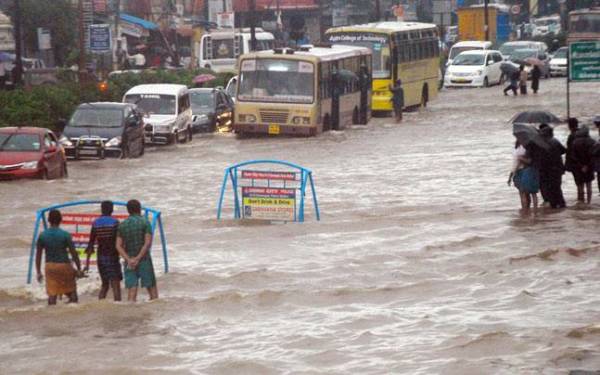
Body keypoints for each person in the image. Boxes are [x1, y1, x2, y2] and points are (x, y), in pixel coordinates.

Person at [35, 210, 83, 305]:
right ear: (60, 220)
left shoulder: (42, 235)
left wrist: (38, 272)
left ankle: (51, 316)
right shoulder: (65, 235)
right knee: (72, 294)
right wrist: (78, 268)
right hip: (64, 266)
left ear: (49, 220)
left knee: (52, 295)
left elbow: (38, 256)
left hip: (50, 267)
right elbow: (74, 253)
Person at [116, 200, 158, 302]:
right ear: (139, 209)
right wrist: (138, 258)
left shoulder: (122, 225)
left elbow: (118, 246)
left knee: (132, 289)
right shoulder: (145, 222)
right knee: (152, 290)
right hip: (144, 259)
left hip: (129, 261)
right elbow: (147, 243)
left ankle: (131, 315)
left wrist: (129, 259)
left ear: (128, 210)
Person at [85, 201, 122, 301]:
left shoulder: (96, 223)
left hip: (101, 257)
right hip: (112, 257)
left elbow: (90, 244)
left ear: (101, 209)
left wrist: (87, 265)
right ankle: (118, 307)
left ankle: (100, 303)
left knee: (104, 285)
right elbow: (119, 242)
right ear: (112, 210)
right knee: (115, 284)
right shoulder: (115, 223)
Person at [538, 124, 567, 208]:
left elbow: (539, 157)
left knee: (547, 187)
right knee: (557, 187)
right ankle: (561, 204)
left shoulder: (541, 143)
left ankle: (553, 204)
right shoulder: (555, 141)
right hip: (557, 168)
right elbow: (564, 151)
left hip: (546, 169)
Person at [508, 140, 539, 209]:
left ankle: (525, 210)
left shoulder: (518, 150)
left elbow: (516, 164)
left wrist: (511, 175)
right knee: (532, 193)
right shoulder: (528, 149)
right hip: (530, 171)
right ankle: (533, 209)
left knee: (523, 193)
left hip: (521, 172)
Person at [572, 125, 596, 203]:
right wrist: (587, 165)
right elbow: (593, 156)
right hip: (589, 167)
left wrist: (581, 166)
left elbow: (573, 156)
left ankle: (581, 201)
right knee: (589, 185)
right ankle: (589, 202)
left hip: (579, 167)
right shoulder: (592, 141)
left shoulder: (575, 142)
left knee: (580, 185)